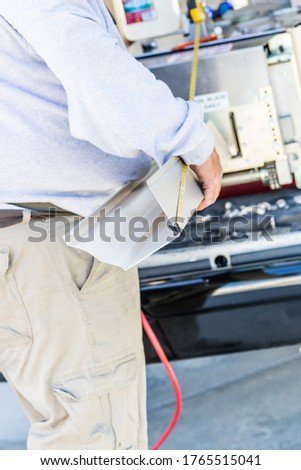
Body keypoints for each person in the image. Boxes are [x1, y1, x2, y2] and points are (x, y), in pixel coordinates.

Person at [0, 0, 222, 450]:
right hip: (54, 250)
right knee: (97, 439)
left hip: (30, 249)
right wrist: (192, 140)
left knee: (71, 428)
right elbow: (89, 63)